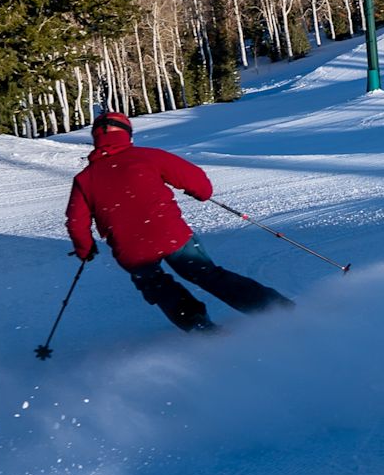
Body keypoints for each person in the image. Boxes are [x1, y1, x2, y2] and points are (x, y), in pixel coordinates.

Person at [67, 110, 289, 331]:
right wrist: (200, 193)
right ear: (127, 135)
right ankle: (273, 308)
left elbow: (77, 222)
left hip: (131, 249)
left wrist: (85, 249)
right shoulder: (149, 156)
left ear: (96, 139)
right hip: (170, 234)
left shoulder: (85, 179)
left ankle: (199, 327)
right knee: (207, 274)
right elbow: (197, 181)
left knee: (157, 286)